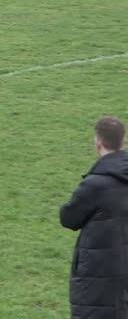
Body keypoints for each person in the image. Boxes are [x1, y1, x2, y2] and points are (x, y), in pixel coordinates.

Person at [60, 115, 128, 319]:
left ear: (98, 143)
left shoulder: (95, 185)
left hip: (98, 276)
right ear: (123, 139)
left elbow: (68, 218)